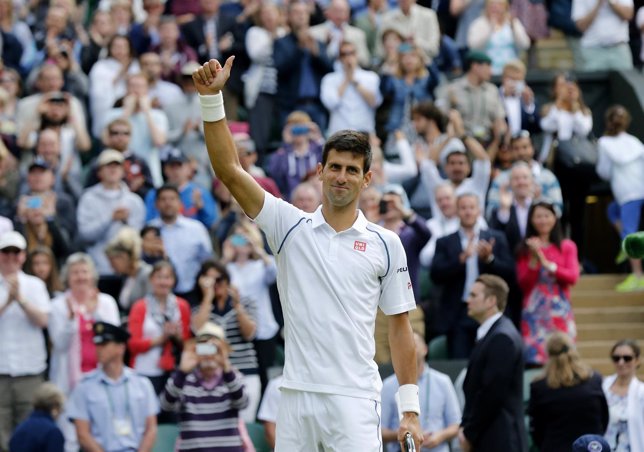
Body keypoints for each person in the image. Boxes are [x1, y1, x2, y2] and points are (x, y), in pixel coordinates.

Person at [191, 57, 423, 450]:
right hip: (296, 397)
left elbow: (400, 329)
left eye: (352, 170)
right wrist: (212, 99)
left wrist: (410, 409)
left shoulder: (387, 243)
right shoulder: (288, 226)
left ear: (367, 179)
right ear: (320, 171)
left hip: (354, 400)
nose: (341, 177)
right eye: (334, 167)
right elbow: (229, 170)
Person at [49, 252, 121, 451]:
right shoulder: (57, 305)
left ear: (92, 276)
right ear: (67, 278)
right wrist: (72, 320)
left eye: (84, 272)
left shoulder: (106, 302)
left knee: (102, 432)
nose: (80, 277)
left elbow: (114, 340)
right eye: (75, 273)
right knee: (70, 437)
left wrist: (94, 311)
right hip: (70, 383)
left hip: (101, 380)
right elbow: (59, 344)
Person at [430, 193, 515, 358]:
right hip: (458, 312)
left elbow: (510, 274)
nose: (468, 212)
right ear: (456, 211)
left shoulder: (496, 238)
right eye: (463, 208)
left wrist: (490, 259)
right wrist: (460, 260)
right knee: (459, 360)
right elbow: (436, 275)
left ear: (479, 211)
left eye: (471, 207)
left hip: (490, 309)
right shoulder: (445, 241)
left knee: (491, 358)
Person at [459, 274, 527, 452]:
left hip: (499, 440)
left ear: (491, 301)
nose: (468, 300)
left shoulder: (502, 338)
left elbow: (491, 394)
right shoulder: (496, 334)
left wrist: (469, 432)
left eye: (474, 295)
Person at [67, 321, 159, 452]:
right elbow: (83, 434)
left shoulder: (142, 384)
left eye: (104, 345)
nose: (98, 349)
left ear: (121, 347)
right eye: (97, 345)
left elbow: (151, 428)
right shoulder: (84, 386)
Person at [160, 322, 249, 451]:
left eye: (214, 348)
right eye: (204, 348)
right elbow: (166, 406)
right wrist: (182, 371)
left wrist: (226, 368)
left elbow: (243, 403)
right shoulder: (182, 379)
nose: (209, 354)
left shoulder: (233, 377)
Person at [191, 260, 261, 423]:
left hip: (246, 372)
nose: (216, 284)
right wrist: (208, 297)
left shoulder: (245, 303)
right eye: (209, 280)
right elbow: (197, 331)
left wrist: (237, 306)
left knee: (245, 424)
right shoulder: (199, 309)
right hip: (215, 375)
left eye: (219, 279)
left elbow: (249, 333)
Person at [0, 231, 50, 452]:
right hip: (1, 371)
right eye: (5, 252)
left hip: (29, 371)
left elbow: (43, 321)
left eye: (15, 252)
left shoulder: (35, 285)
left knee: (29, 431)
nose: (10, 257)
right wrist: (7, 302)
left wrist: (20, 299)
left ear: (22, 256)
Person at [516, 201, 579, 366]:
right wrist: (534, 261)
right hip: (534, 312)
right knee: (536, 360)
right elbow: (523, 283)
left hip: (559, 310)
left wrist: (548, 265)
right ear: (531, 220)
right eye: (538, 216)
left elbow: (572, 277)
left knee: (564, 359)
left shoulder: (567, 246)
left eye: (546, 215)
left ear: (554, 218)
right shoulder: (525, 248)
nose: (543, 220)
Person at [221, 220, 279, 392]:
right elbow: (216, 276)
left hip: (263, 327)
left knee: (264, 373)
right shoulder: (228, 268)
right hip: (236, 329)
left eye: (245, 238)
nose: (242, 243)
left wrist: (258, 250)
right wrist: (226, 255)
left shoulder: (261, 264)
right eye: (237, 238)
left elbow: (276, 274)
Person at [528, 332, 609, 452]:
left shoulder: (539, 387)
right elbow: (604, 418)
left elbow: (536, 428)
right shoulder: (594, 380)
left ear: (549, 354)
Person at [381, 332, 461, 452]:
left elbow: (456, 425)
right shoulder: (388, 385)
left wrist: (439, 436)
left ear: (425, 349)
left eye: (414, 343)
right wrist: (406, 435)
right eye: (404, 344)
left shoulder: (443, 381)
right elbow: (379, 429)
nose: (409, 347)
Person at [596, 105, 644, 292]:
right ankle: (626, 249)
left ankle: (637, 275)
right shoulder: (635, 141)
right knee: (612, 210)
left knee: (630, 234)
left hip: (627, 193)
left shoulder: (604, 143)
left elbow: (604, 171)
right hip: (640, 190)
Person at [77, 149, 146, 276]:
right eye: (108, 166)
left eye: (117, 166)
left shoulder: (134, 201)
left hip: (128, 271)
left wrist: (126, 221)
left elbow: (137, 238)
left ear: (123, 171)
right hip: (98, 269)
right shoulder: (88, 198)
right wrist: (110, 218)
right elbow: (85, 235)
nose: (113, 170)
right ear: (99, 172)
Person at [127, 260, 192, 394]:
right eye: (159, 277)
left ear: (173, 281)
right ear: (151, 280)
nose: (163, 282)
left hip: (173, 370)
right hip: (145, 369)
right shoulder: (140, 306)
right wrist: (161, 338)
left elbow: (188, 343)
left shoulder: (182, 306)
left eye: (167, 277)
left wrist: (177, 337)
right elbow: (132, 344)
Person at [147, 184, 213, 296]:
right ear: (156, 204)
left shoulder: (196, 228)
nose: (168, 203)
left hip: (193, 291)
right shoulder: (150, 230)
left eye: (172, 199)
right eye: (163, 199)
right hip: (161, 292)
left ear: (180, 203)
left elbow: (207, 259)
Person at [320, 40, 382, 136]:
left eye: (351, 53)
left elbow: (374, 102)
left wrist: (355, 82)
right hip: (339, 133)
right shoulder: (329, 79)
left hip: (364, 132)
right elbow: (331, 103)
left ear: (357, 55)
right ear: (339, 58)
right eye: (344, 54)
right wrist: (346, 79)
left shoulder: (371, 77)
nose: (348, 57)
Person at [466, 0, 531, 76]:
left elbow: (525, 45)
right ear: (486, 7)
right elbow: (473, 47)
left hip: (510, 72)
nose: (495, 8)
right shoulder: (479, 23)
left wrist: (514, 28)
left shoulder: (513, 23)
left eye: (499, 5)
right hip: (487, 73)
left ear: (506, 7)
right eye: (492, 5)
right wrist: (490, 29)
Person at [602, 339, 644, 451]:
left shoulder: (641, 392)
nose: (621, 362)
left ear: (637, 360)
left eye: (627, 358)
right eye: (616, 358)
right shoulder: (603, 387)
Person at [104, 227, 152, 312]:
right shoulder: (127, 277)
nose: (111, 266)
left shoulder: (147, 274)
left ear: (124, 257)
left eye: (113, 261)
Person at [8, 382, 65, 452]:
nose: (62, 411)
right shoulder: (53, 432)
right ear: (54, 408)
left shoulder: (19, 429)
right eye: (60, 407)